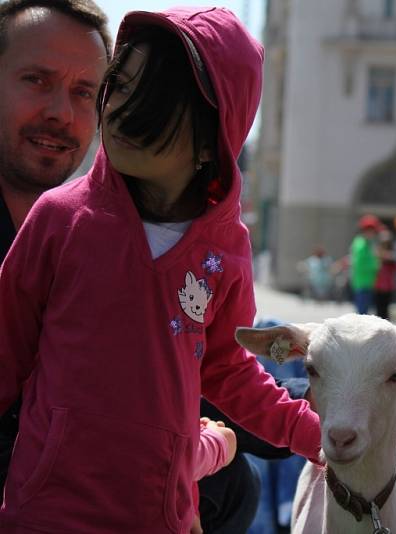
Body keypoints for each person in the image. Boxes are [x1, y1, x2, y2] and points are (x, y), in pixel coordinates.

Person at [0, 8, 323, 532]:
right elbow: (6, 354)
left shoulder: (226, 250)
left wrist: (320, 435)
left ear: (210, 140)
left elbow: (228, 368)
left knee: (239, 484)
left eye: (155, 100)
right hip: (48, 510)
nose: (124, 111)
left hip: (162, 514)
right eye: (121, 87)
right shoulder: (60, 219)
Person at [0, 0, 111, 495]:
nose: (60, 114)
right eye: (36, 80)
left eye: (83, 92)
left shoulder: (100, 238)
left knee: (232, 483)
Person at [350, 213, 382, 314]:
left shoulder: (368, 243)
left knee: (365, 311)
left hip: (368, 282)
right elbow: (358, 263)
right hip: (362, 282)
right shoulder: (361, 244)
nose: (372, 233)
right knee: (362, 313)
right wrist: (375, 266)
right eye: (370, 230)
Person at [374, 229, 396, 320]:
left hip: (388, 287)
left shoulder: (392, 256)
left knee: (386, 310)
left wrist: (390, 258)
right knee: (379, 310)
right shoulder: (376, 253)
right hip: (378, 286)